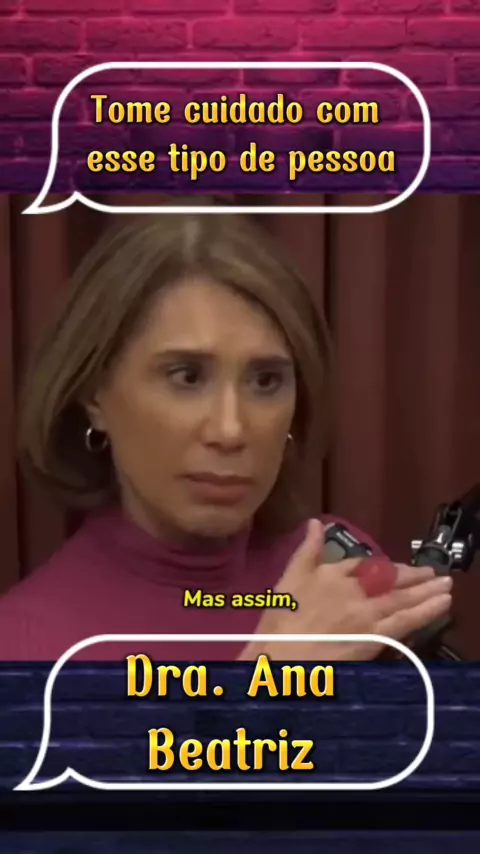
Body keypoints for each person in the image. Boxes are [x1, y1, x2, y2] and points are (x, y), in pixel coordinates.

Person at [0, 213, 451, 662]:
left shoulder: (337, 574)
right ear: (94, 395)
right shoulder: (25, 645)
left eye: (266, 381)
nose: (231, 430)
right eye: (187, 377)